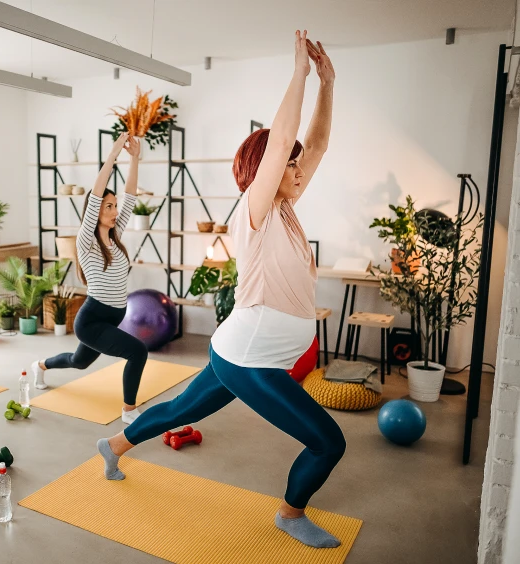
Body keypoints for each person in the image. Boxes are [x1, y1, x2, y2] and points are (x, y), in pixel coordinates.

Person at [96, 32, 345, 548]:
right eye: (290, 164)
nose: (300, 169)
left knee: (181, 409)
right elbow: (282, 142)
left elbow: (314, 144)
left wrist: (329, 81)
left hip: (245, 349)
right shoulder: (255, 212)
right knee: (328, 442)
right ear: (266, 171)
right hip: (251, 357)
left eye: (298, 164)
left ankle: (113, 445)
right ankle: (290, 513)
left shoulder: (287, 212)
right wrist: (298, 71)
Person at [31, 132, 149, 424]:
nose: (114, 210)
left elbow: (130, 196)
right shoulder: (87, 239)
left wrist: (134, 158)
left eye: (113, 206)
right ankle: (128, 411)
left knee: (78, 361)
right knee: (137, 352)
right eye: (108, 206)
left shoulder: (116, 234)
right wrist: (113, 156)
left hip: (111, 318)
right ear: (95, 212)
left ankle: (41, 366)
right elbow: (96, 194)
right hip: (93, 320)